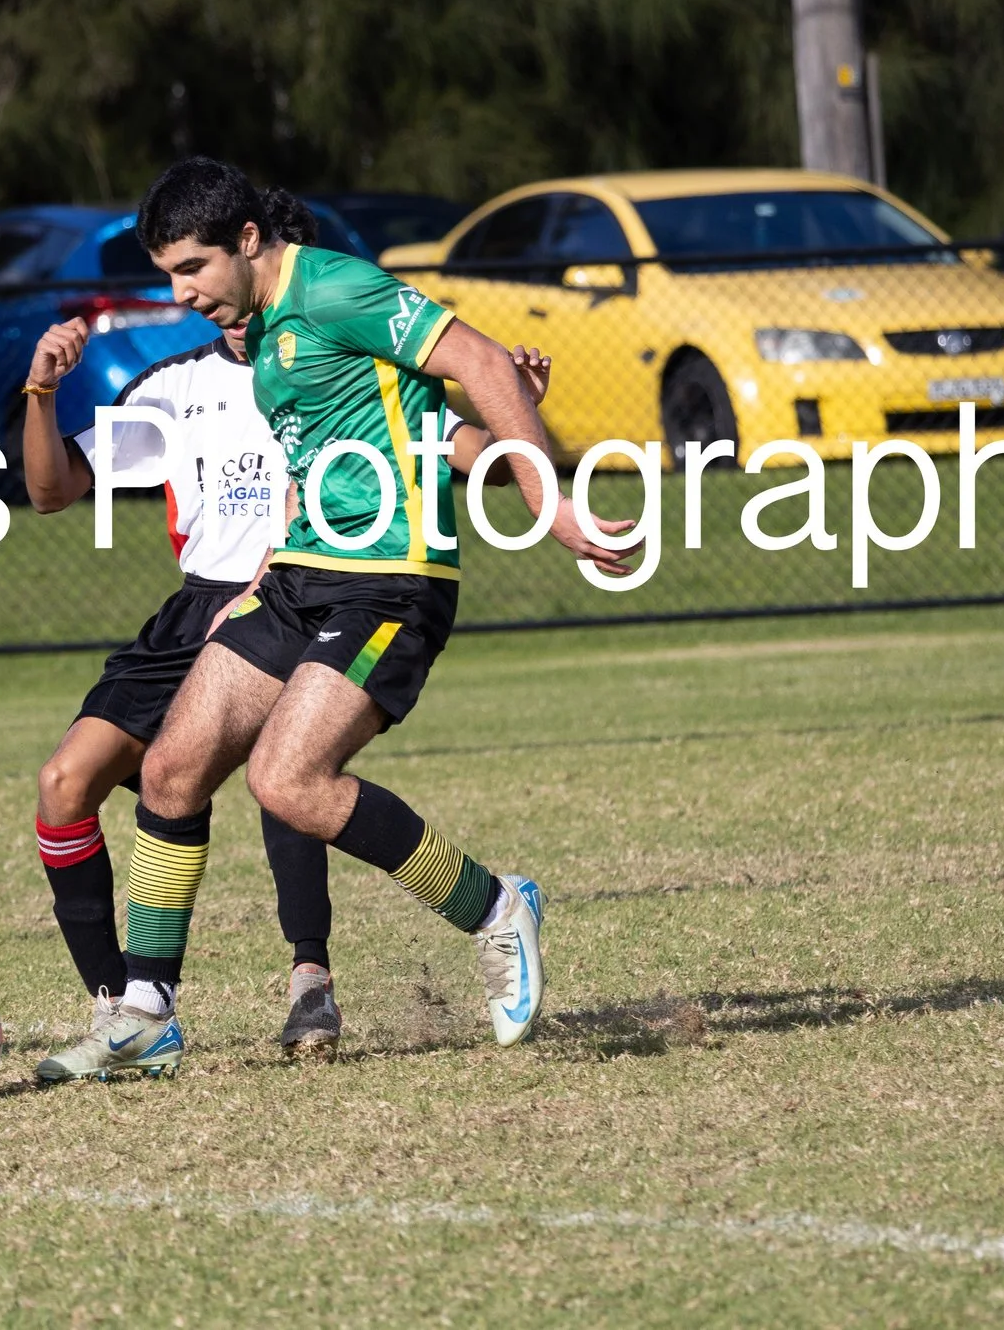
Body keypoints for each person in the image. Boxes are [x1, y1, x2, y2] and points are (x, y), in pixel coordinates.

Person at [72, 159, 638, 1079]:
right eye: (169, 274)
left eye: (193, 268)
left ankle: (497, 909)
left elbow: (481, 361)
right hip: (301, 574)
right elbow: (347, 445)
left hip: (390, 579)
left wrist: (550, 504)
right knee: (170, 771)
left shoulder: (338, 287)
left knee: (288, 780)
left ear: (247, 240)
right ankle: (145, 1013)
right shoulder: (265, 328)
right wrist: (264, 575)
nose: (181, 294)